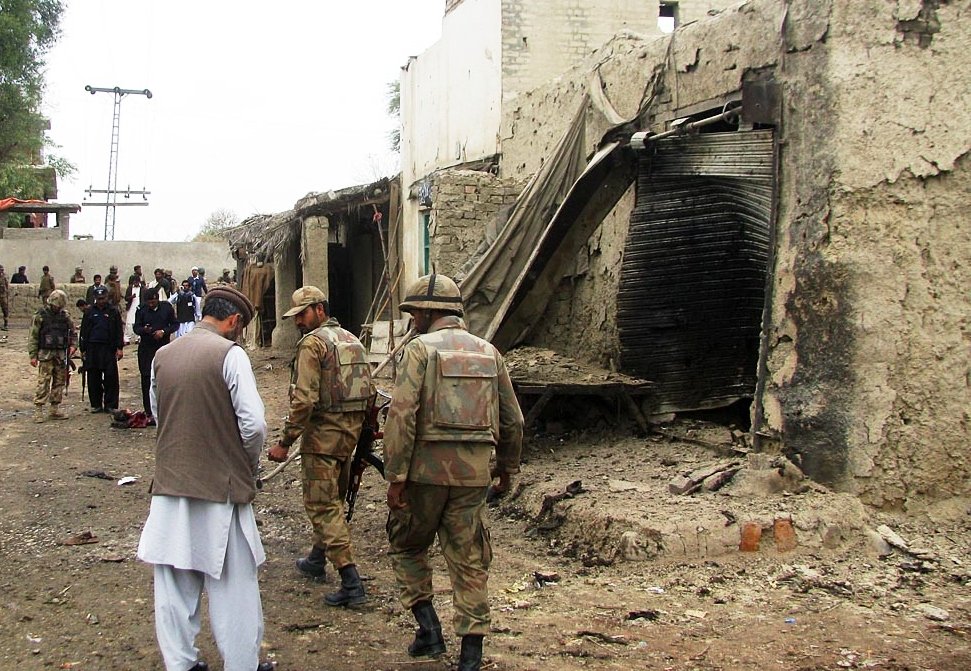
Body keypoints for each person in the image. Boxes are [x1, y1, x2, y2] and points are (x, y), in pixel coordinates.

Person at [384, 274, 524, 671]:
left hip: (422, 475)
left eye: (414, 312)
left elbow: (402, 416)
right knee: (468, 559)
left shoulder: (418, 351)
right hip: (472, 477)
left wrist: (396, 476)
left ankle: (428, 630)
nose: (412, 319)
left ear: (429, 312)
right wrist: (507, 469)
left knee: (407, 545)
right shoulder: (489, 351)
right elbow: (513, 420)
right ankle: (471, 657)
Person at [136, 286, 273, 671]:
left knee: (173, 588)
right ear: (234, 321)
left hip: (169, 488)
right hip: (222, 491)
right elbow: (254, 425)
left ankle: (181, 664)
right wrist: (245, 463)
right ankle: (242, 664)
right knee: (235, 590)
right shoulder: (231, 355)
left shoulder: (163, 356)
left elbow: (158, 411)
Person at [267, 286, 375, 607]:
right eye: (296, 316)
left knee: (323, 506)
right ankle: (317, 558)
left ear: (320, 310)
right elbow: (369, 393)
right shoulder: (351, 340)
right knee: (334, 500)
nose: (298, 321)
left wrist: (285, 441)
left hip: (322, 439)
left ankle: (350, 581)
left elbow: (303, 400)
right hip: (347, 438)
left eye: (303, 313)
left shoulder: (312, 345)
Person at [28, 289, 78, 423]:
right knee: (43, 381)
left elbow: (73, 333)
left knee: (59, 381)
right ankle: (38, 410)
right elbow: (33, 336)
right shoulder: (40, 315)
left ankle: (54, 409)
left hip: (61, 354)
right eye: (56, 306)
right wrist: (33, 355)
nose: (58, 308)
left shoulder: (65, 316)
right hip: (45, 353)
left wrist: (73, 346)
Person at [133, 288, 177, 423]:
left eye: (153, 301)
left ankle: (165, 410)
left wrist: (163, 331)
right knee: (147, 378)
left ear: (157, 299)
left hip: (163, 347)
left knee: (164, 377)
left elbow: (175, 324)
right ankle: (149, 412)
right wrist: (145, 330)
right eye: (149, 302)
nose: (151, 304)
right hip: (146, 348)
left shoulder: (166, 308)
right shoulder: (141, 309)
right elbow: (136, 328)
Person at [79, 286, 124, 413]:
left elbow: (118, 331)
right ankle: (96, 404)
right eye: (98, 299)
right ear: (95, 298)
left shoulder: (113, 311)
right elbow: (84, 331)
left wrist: (119, 348)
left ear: (107, 297)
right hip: (92, 348)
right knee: (93, 377)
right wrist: (83, 349)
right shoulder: (89, 312)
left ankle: (111, 405)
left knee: (111, 377)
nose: (101, 301)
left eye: (103, 298)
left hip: (108, 348)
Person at [0, 264, 9, 331]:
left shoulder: (4, 277)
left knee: (5, 310)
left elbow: (7, 286)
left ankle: (6, 324)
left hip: (3, 296)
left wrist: (7, 293)